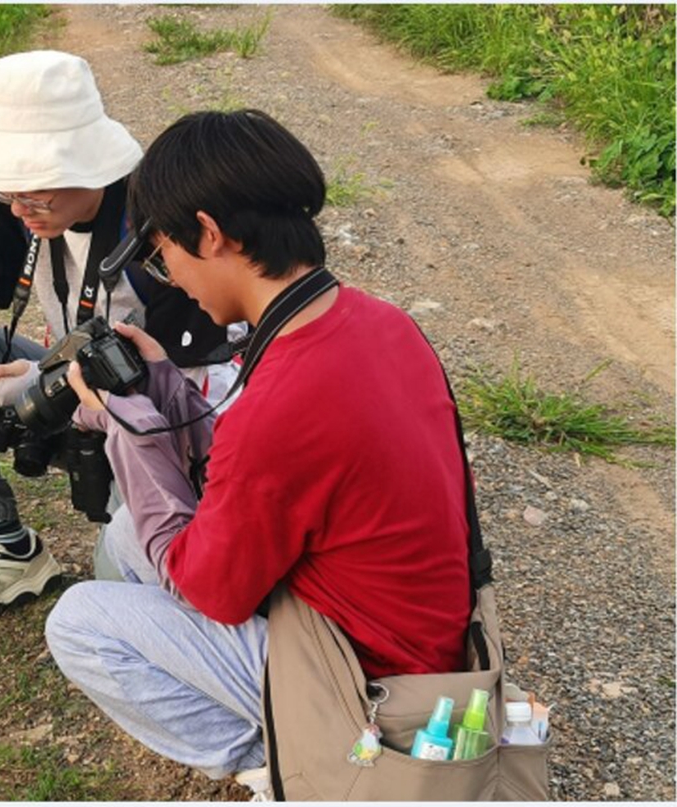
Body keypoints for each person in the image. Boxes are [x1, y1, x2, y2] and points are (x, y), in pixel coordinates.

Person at [44, 109, 471, 798]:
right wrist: (166, 392)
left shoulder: (283, 401)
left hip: (368, 681)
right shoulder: (376, 322)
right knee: (126, 535)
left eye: (161, 256)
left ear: (208, 234)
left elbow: (208, 587)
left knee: (81, 624)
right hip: (417, 635)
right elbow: (274, 475)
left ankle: (287, 765)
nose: (170, 279)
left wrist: (134, 428)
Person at [0, 51, 234, 633]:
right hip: (59, 374)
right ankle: (6, 550)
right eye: (7, 196)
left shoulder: (154, 218)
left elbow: (191, 390)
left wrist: (46, 388)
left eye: (38, 198)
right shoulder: (12, 198)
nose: (19, 212)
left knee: (123, 583)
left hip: (140, 409)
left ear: (90, 167)